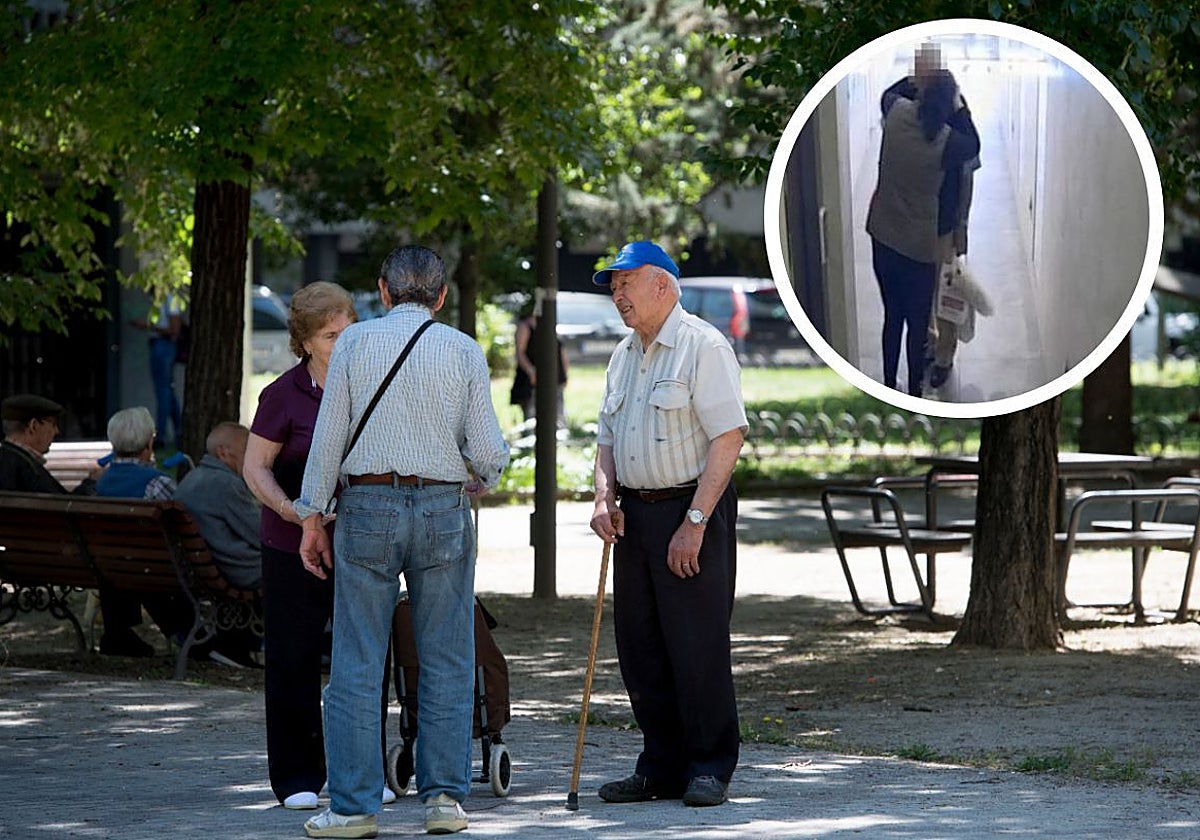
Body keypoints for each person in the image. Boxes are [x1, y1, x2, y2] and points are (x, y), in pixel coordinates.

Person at [292, 245, 509, 839]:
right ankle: (444, 799)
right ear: (440, 297)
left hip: (367, 508)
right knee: (446, 657)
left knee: (358, 660)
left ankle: (356, 806)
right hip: (443, 507)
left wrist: (313, 517)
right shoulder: (463, 349)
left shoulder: (356, 345)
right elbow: (489, 452)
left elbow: (329, 438)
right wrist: (478, 479)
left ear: (383, 292)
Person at [588, 241, 748, 808]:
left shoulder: (703, 346)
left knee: (695, 643)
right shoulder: (623, 354)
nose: (617, 295)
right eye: (612, 286)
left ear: (662, 285)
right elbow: (606, 437)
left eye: (625, 283)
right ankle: (661, 764)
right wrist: (604, 496)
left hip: (690, 508)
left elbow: (729, 436)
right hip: (635, 514)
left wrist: (696, 522)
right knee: (641, 646)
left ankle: (709, 764)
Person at [243, 281, 360, 811]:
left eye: (350, 329)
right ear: (306, 341)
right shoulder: (282, 395)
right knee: (293, 659)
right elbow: (255, 468)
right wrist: (294, 511)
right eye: (333, 335)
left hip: (360, 542)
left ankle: (359, 772)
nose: (345, 340)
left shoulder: (366, 385)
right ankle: (296, 778)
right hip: (290, 542)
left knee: (363, 658)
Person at [865, 44, 980, 397]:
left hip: (883, 234)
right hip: (922, 243)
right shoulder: (947, 142)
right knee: (920, 320)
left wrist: (919, 81)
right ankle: (915, 389)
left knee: (893, 317)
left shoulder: (896, 113)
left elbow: (889, 94)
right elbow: (973, 145)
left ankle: (889, 382)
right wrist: (957, 106)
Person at [92, 406, 193, 655]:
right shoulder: (158, 483)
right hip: (154, 569)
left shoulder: (100, 481)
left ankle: (119, 633)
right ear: (149, 441)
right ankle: (186, 634)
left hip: (108, 566)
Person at [0, 394, 102, 496]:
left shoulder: (10, 459)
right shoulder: (27, 469)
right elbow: (62, 508)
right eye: (52, 424)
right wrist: (91, 483)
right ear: (33, 426)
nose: (56, 431)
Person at [131, 291, 185, 448]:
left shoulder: (169, 297)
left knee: (163, 390)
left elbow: (174, 328)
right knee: (167, 390)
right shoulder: (160, 299)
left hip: (164, 344)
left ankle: (161, 435)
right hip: (160, 343)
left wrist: (149, 325)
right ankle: (178, 431)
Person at [509, 306, 568, 426]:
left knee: (557, 415)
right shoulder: (525, 326)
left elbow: (561, 352)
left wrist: (565, 374)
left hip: (554, 378)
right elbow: (520, 353)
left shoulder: (551, 325)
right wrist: (531, 371)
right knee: (532, 417)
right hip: (531, 379)